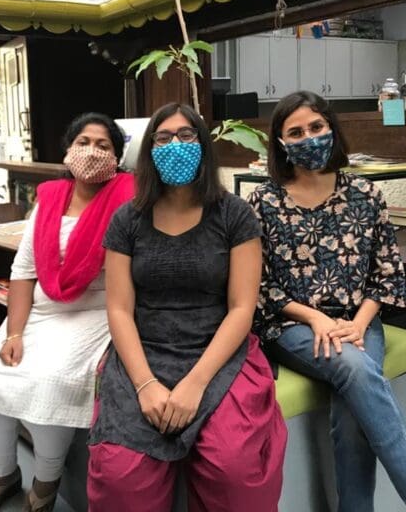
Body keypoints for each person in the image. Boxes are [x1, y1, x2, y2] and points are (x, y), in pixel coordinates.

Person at [87, 102, 287, 512]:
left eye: (186, 135)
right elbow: (120, 310)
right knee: (120, 476)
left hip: (219, 353)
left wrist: (195, 385)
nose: (174, 144)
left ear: (203, 145)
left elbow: (240, 308)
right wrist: (145, 386)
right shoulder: (127, 220)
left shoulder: (235, 215)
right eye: (162, 138)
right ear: (148, 150)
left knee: (235, 470)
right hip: (144, 354)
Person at [248, 91, 406, 512]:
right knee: (355, 367)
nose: (309, 138)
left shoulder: (366, 195)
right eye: (295, 132)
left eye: (316, 127)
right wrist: (315, 318)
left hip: (359, 321)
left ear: (331, 129)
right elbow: (258, 286)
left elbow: (386, 273)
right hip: (292, 325)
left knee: (353, 411)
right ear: (280, 143)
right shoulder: (264, 201)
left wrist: (359, 321)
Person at [0, 113, 134, 512]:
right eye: (83, 142)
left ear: (117, 157)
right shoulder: (50, 199)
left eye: (103, 145)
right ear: (67, 150)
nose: (92, 151)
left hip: (94, 312)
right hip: (42, 310)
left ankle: (46, 480)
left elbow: (129, 275)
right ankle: (2, 472)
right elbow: (23, 273)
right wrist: (14, 334)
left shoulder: (128, 200)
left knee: (49, 381)